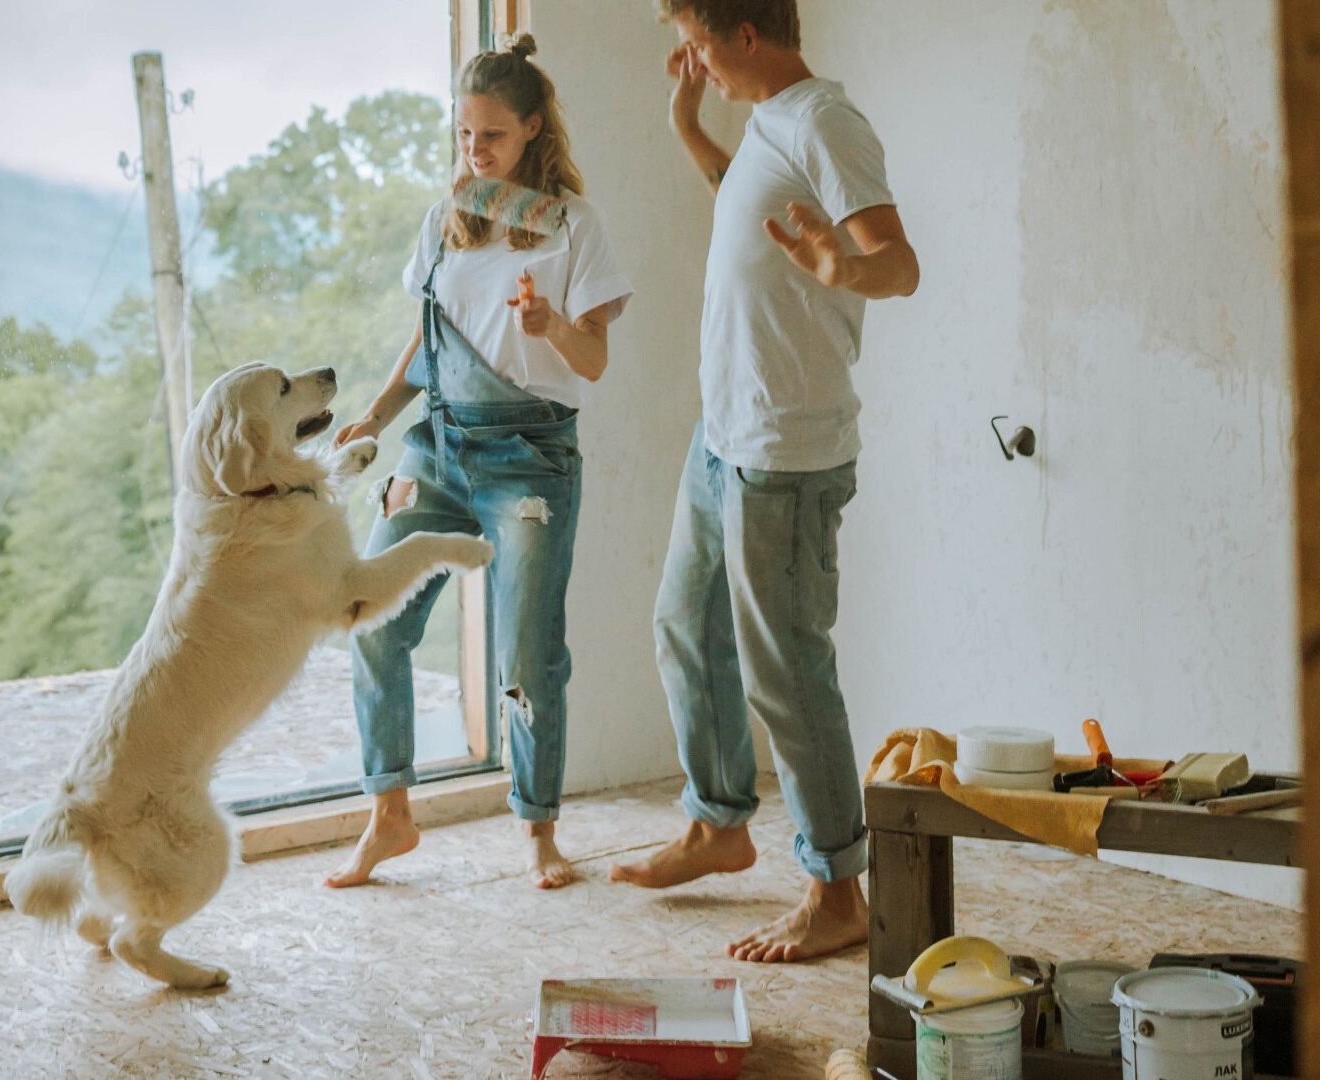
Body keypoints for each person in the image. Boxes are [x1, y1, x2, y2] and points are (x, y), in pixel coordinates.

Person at [608, 0, 921, 963]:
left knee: (787, 672)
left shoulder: (826, 120)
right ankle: (720, 825)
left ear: (748, 36)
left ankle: (837, 890)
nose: (689, 57)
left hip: (786, 453)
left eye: (699, 41)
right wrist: (689, 128)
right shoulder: (765, 126)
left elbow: (898, 266)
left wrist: (842, 264)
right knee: (685, 625)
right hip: (726, 437)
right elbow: (741, 205)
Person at [323, 34, 634, 891]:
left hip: (530, 458)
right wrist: (375, 420)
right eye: (465, 136)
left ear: (533, 128)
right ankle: (389, 817)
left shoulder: (572, 226)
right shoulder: (444, 224)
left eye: (492, 136)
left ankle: (538, 831)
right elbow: (426, 345)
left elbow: (595, 360)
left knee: (527, 658)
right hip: (438, 444)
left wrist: (550, 330)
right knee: (371, 614)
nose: (475, 151)